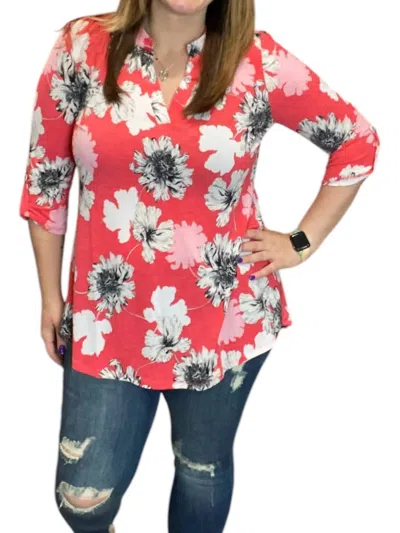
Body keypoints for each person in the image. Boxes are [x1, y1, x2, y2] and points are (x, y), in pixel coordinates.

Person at [19, 0, 380, 531]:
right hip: (105, 323)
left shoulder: (257, 62)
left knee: (200, 470)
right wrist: (50, 296)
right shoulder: (81, 46)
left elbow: (356, 139)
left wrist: (301, 242)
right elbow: (47, 180)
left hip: (223, 322)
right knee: (81, 500)